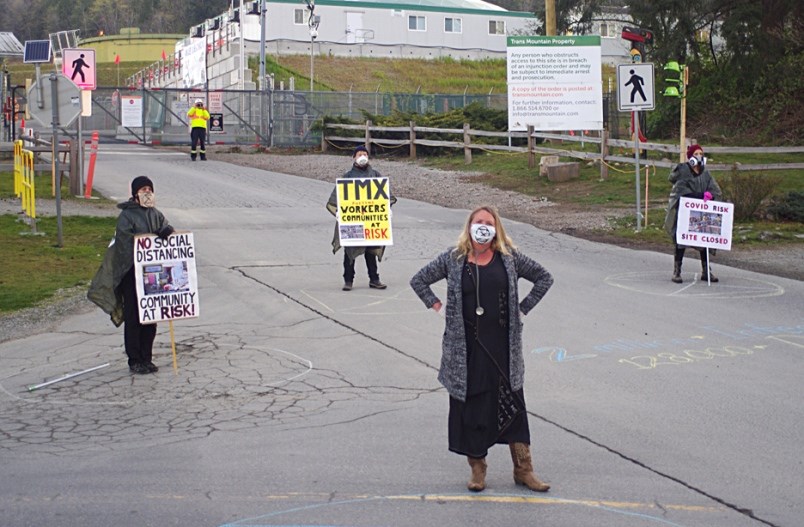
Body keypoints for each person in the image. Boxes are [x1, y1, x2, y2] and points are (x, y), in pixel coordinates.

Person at [410, 205, 553, 493]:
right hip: (467, 350)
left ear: (497, 228)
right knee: (473, 410)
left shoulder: (509, 259)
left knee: (514, 408)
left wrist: (522, 310)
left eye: (489, 222)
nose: (483, 226)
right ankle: (478, 468)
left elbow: (544, 278)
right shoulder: (454, 259)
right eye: (479, 222)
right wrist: (439, 308)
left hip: (503, 348)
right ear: (470, 226)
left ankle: (523, 469)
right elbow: (419, 280)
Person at [88, 176, 174, 374]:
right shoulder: (127, 217)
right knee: (134, 317)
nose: (147, 192)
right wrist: (149, 240)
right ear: (135, 193)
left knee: (150, 318)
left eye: (149, 189)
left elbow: (166, 231)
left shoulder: (156, 214)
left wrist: (166, 232)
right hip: (132, 275)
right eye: (143, 189)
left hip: (152, 278)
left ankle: (147, 357)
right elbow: (125, 244)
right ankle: (134, 359)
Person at [326, 145, 397, 291]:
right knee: (350, 252)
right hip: (353, 222)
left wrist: (387, 208)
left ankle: (374, 279)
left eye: (364, 154)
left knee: (371, 251)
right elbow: (336, 198)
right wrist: (339, 212)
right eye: (359, 154)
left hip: (371, 222)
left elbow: (385, 195)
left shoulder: (376, 175)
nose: (362, 156)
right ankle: (348, 280)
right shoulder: (347, 177)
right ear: (354, 157)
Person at [663, 144, 723, 283]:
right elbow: (681, 192)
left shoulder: (706, 174)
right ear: (690, 157)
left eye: (701, 154)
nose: (699, 156)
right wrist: (700, 195)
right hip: (684, 213)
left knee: (705, 240)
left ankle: (706, 271)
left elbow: (716, 191)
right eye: (696, 153)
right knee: (681, 241)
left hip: (701, 213)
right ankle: (677, 271)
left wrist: (710, 196)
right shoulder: (683, 172)